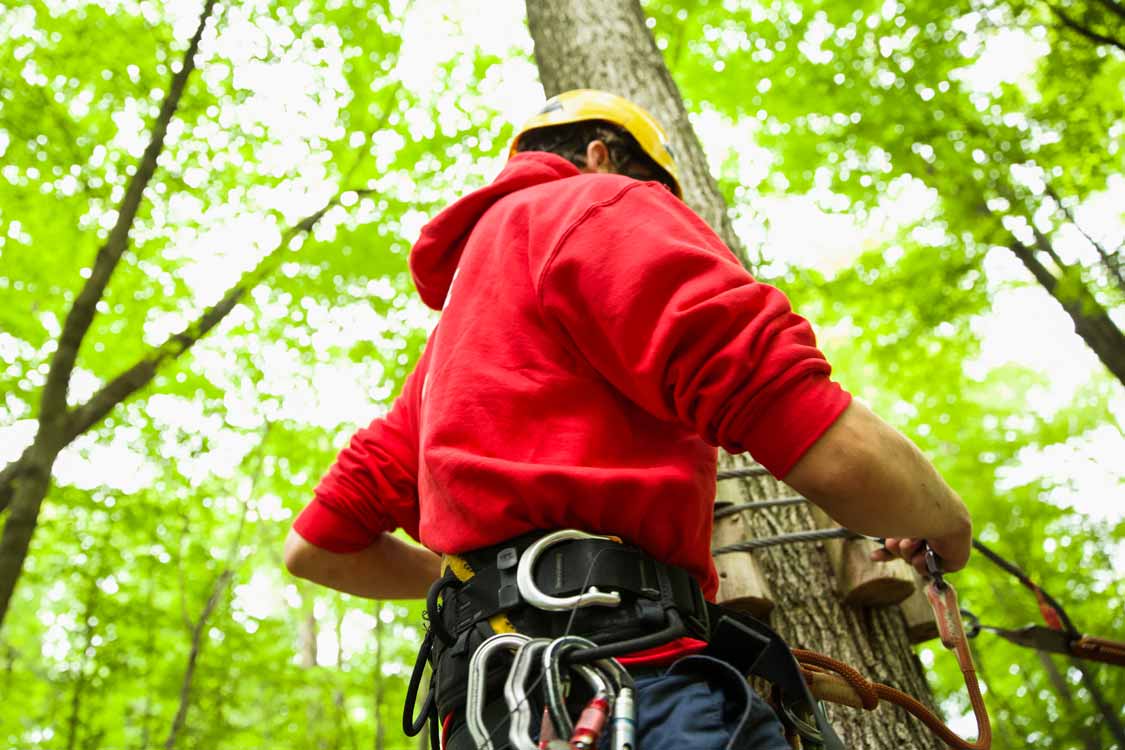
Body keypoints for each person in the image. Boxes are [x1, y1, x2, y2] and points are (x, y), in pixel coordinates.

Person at [284, 89, 973, 749]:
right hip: (631, 681)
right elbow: (800, 421)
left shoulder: (444, 362)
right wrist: (941, 521)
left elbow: (316, 548)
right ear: (601, 156)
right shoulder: (595, 203)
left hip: (486, 710)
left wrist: (484, 582)